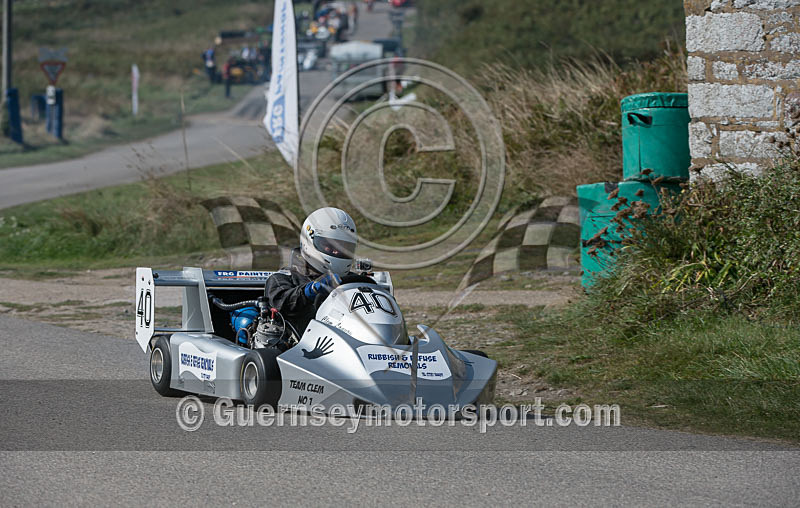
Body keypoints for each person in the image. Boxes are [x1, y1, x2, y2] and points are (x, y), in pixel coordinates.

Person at [265, 207, 358, 335]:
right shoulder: (284, 278)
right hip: (300, 347)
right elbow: (281, 304)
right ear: (309, 240)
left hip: (348, 342)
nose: (336, 252)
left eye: (344, 247)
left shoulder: (354, 282)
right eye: (329, 246)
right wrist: (310, 290)